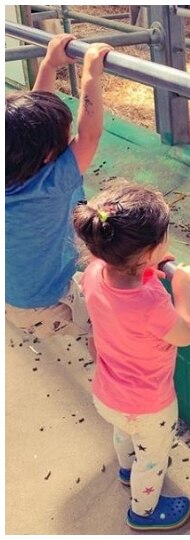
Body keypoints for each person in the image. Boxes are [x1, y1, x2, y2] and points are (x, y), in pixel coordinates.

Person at [73, 181, 190, 531]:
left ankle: (127, 469)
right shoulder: (151, 303)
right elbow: (186, 334)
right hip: (149, 406)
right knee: (153, 457)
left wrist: (145, 267)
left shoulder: (96, 272)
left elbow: (121, 288)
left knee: (124, 433)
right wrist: (181, 288)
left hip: (107, 393)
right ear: (148, 252)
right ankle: (143, 512)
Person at [5, 34, 112, 344]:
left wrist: (50, 64)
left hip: (14, 294)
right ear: (49, 154)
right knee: (108, 327)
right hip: (47, 305)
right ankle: (110, 381)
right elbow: (89, 135)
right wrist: (91, 75)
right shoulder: (53, 183)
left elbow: (31, 126)